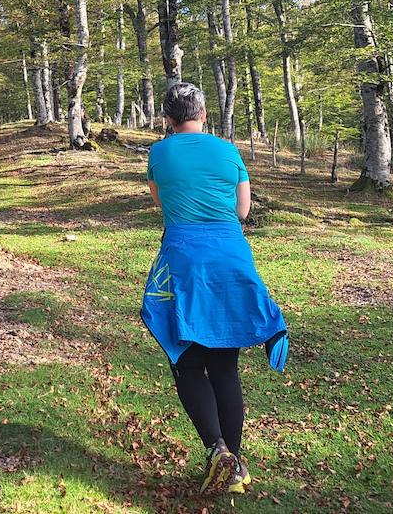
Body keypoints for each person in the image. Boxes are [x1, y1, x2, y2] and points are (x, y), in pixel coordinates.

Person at [140, 81, 289, 496]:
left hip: (184, 258)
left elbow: (161, 204)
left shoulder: (159, 152)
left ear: (168, 119)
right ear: (204, 114)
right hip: (231, 256)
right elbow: (243, 210)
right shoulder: (228, 150)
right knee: (225, 365)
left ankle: (217, 450)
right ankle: (236, 467)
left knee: (186, 360)